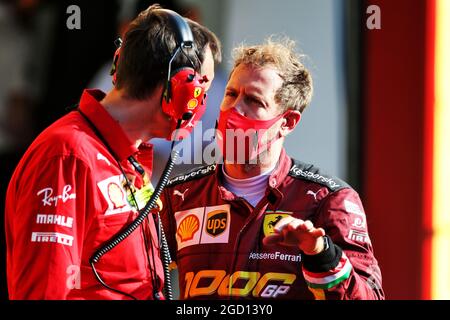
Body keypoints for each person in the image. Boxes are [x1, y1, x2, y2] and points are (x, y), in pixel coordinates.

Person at [5, 4, 221, 300]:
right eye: (201, 88)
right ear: (178, 87)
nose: (203, 101)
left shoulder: (130, 158)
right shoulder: (67, 157)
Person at [160, 38, 384, 300]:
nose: (235, 109)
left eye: (254, 101)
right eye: (231, 94)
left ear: (288, 122)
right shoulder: (180, 195)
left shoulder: (328, 200)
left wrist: (320, 253)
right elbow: (134, 281)